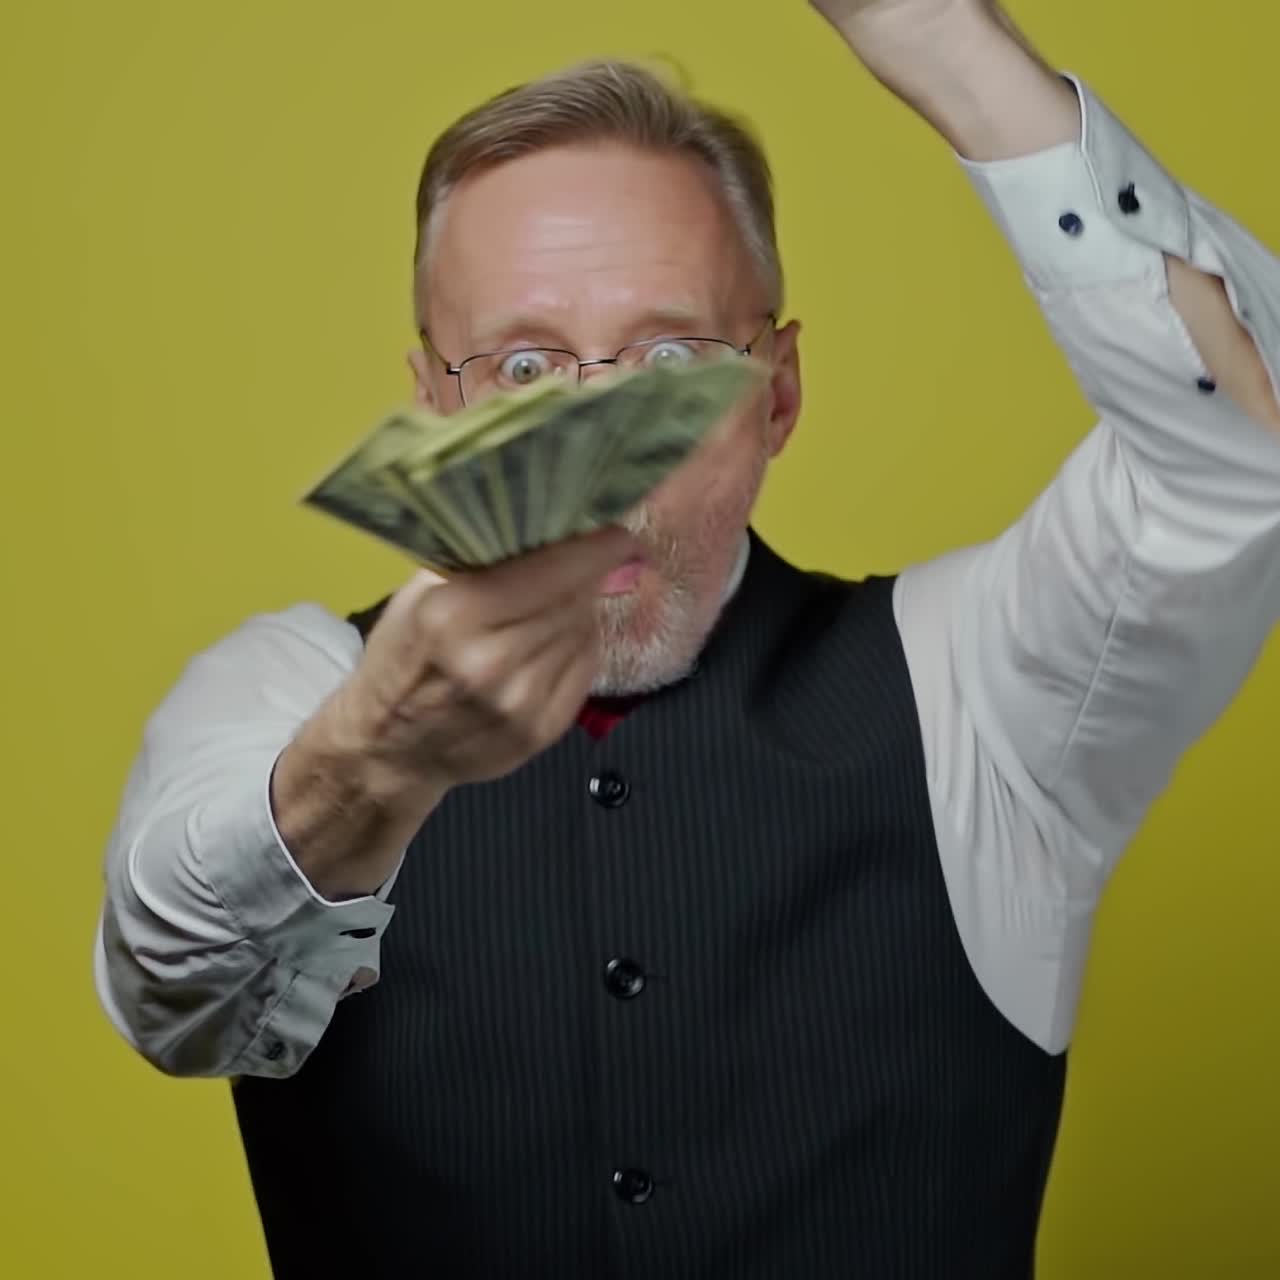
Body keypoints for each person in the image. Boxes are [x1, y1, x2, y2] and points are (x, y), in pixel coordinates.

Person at [94, 1, 1280, 1276]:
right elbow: (174, 991)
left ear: (775, 395)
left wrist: (936, 38)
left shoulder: (980, 691)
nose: (605, 455)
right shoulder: (286, 694)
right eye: (526, 372)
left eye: (668, 356)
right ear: (434, 407)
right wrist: (370, 765)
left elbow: (1241, 458)